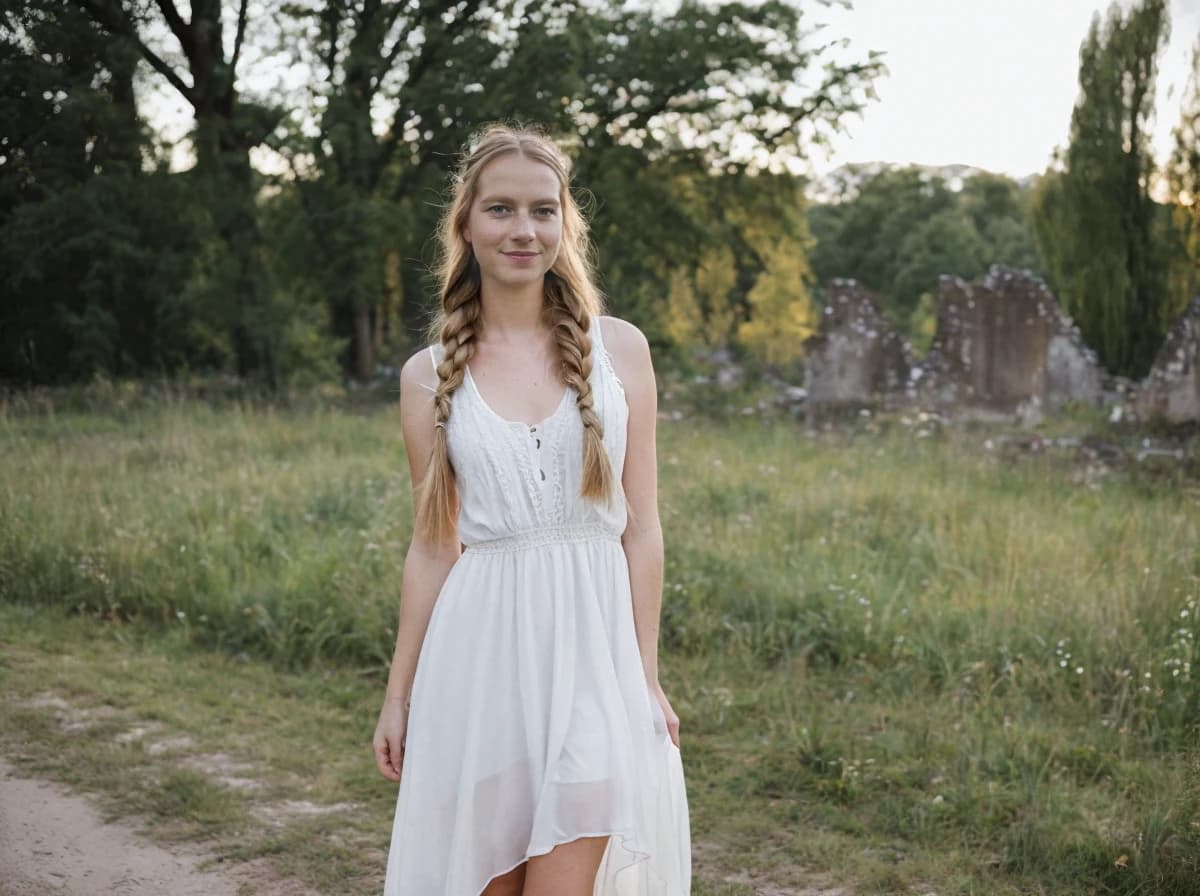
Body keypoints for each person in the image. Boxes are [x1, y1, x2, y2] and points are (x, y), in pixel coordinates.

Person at [372, 123, 691, 896]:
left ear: (564, 224)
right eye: (502, 209)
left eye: (543, 211)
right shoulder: (427, 376)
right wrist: (398, 694)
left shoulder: (622, 351)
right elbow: (432, 547)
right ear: (467, 224)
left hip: (594, 661)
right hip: (477, 665)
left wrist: (643, 678)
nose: (524, 230)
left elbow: (641, 528)